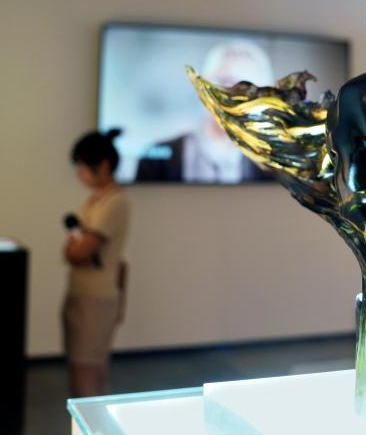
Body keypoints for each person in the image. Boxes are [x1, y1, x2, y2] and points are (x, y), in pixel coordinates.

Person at [135, 39, 275, 183]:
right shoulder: (156, 160)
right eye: (226, 82)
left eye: (248, 88)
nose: (235, 96)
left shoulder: (273, 167)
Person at [63, 129, 131, 398]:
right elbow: (74, 249)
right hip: (82, 294)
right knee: (82, 369)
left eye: (81, 166)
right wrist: (74, 249)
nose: (78, 174)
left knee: (87, 372)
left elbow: (80, 252)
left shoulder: (116, 202)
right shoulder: (94, 199)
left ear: (103, 165)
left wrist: (75, 249)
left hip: (96, 299)